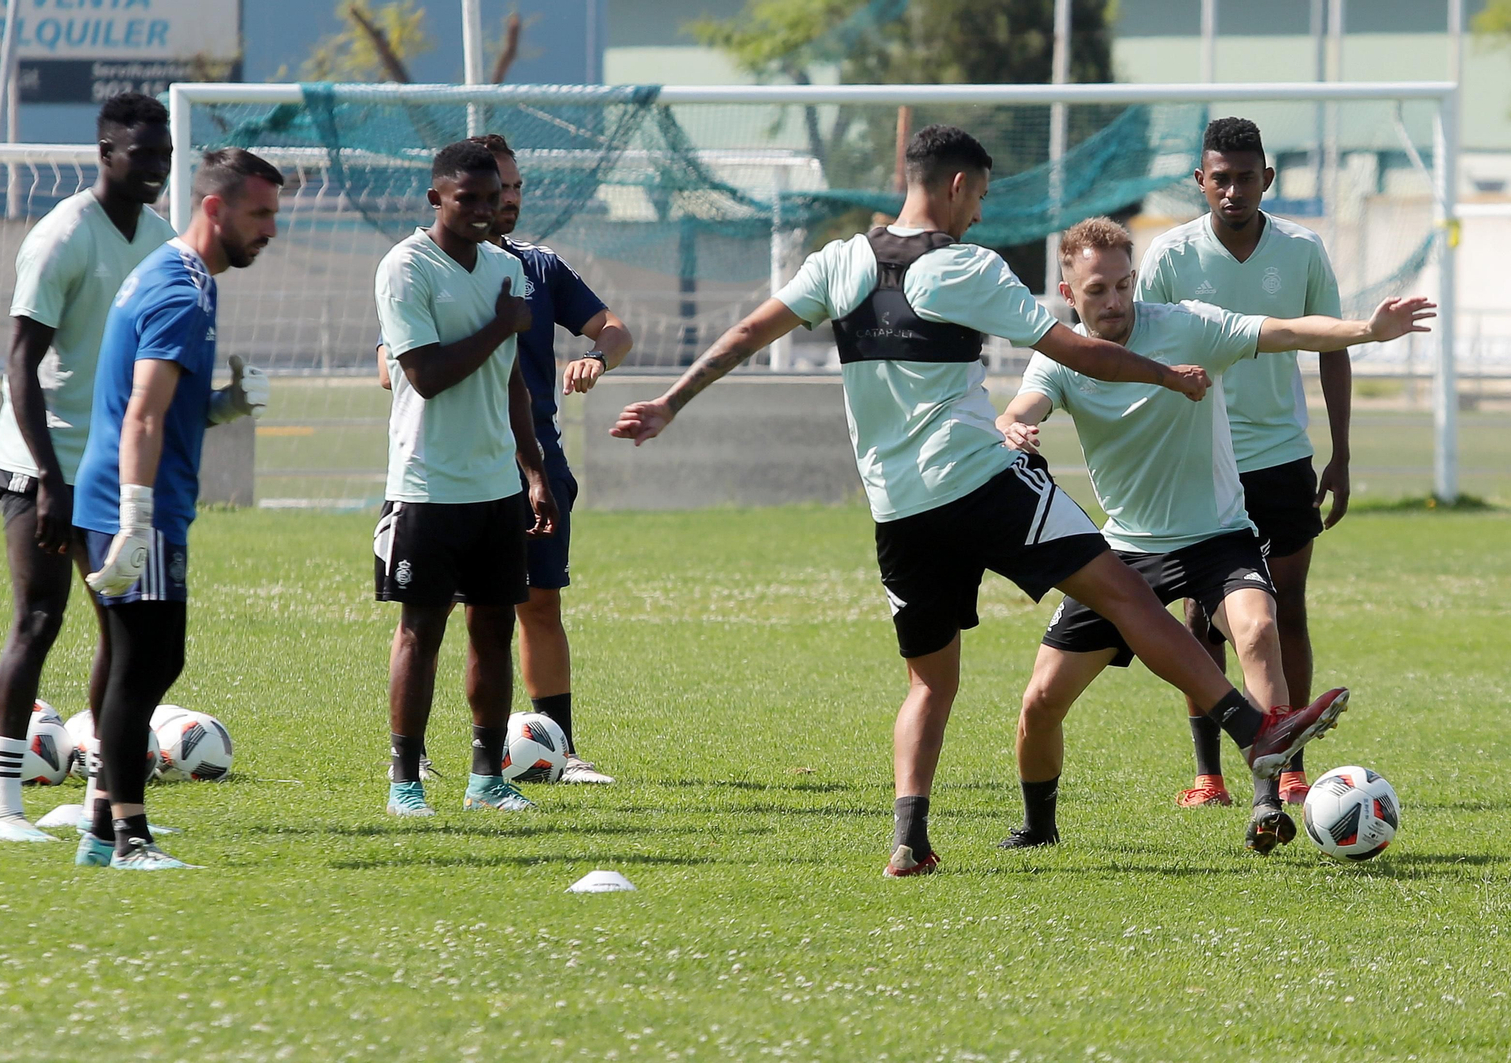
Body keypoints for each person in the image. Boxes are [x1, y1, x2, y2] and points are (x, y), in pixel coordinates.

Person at [611, 125, 1346, 878]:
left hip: (899, 509)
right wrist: (1166, 375)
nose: (982, 213)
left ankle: (909, 838)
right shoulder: (966, 265)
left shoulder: (839, 262)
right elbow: (1075, 350)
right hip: (982, 481)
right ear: (958, 185)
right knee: (1128, 594)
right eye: (982, 196)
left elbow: (745, 332)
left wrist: (670, 402)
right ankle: (1253, 729)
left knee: (928, 682)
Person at [997, 217, 1431, 852]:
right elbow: (1023, 405)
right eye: (1097, 290)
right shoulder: (1060, 357)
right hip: (1125, 550)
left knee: (1257, 630)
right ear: (1068, 293)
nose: (1114, 301)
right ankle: (1038, 828)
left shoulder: (1188, 325)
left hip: (1218, 535)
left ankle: (1266, 803)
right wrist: (1012, 425)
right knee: (1040, 702)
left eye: (1123, 285)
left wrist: (1368, 330)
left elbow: (1285, 331)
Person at [373, 133, 632, 784]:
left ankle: (554, 750)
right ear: (443, 197)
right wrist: (480, 334)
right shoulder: (413, 267)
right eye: (489, 191)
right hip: (437, 471)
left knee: (532, 606)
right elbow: (397, 365)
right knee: (427, 617)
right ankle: (411, 762)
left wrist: (593, 364)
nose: (502, 202)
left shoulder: (530, 269)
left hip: (524, 461)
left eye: (510, 189)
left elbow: (608, 332)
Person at [70, 148, 279, 869]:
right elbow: (143, 414)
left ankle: (102, 827)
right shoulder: (181, 291)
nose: (270, 230)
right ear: (214, 209)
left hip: (131, 500)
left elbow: (166, 401)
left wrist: (224, 405)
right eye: (260, 214)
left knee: (148, 660)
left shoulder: (179, 275)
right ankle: (128, 837)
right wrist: (135, 520)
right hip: (136, 505)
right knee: (143, 664)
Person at [0, 93, 175, 843]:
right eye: (142, 154)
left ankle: (99, 799)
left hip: (110, 468)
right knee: (39, 617)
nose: (155, 168)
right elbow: (20, 364)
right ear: (105, 153)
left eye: (164, 156)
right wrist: (49, 479)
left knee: (125, 630)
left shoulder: (159, 238)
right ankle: (1, 805)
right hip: (41, 465)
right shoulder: (61, 235)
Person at [1138, 117, 1351, 808]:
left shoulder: (1302, 249)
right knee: (1203, 617)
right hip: (1199, 461)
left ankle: (1290, 765)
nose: (1233, 190)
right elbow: (1143, 356)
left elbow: (1332, 347)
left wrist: (1342, 452)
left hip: (1282, 456)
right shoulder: (1169, 256)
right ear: (1200, 180)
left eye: (1246, 177)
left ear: (1268, 178)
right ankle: (1210, 775)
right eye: (1220, 178)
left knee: (1286, 609)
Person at [373, 140, 558, 818]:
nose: (484, 209)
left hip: (495, 487)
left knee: (494, 629)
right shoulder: (405, 267)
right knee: (421, 630)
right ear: (436, 198)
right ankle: (406, 782)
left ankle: (486, 780)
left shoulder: (505, 268)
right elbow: (424, 374)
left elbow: (510, 379)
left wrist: (533, 468)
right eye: (468, 198)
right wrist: (502, 324)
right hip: (427, 485)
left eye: (493, 197)